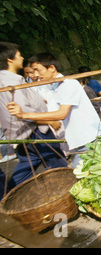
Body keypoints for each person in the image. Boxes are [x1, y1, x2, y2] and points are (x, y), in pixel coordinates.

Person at [7, 52, 101, 168]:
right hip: (80, 140)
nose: (35, 74)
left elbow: (61, 114)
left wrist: (23, 115)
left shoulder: (68, 84)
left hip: (90, 139)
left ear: (51, 68)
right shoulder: (52, 86)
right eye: (33, 71)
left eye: (38, 70)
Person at [0, 43, 67, 193]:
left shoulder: (7, 79)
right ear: (10, 60)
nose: (22, 57)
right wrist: (49, 120)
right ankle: (67, 192)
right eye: (19, 55)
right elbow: (22, 110)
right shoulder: (10, 82)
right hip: (34, 130)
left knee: (27, 164)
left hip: (21, 132)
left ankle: (8, 193)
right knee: (57, 161)